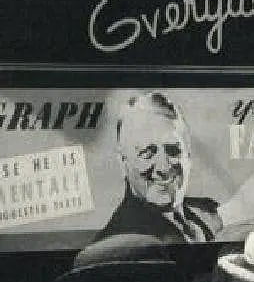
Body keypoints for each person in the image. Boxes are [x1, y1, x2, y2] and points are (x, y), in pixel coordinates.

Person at [92, 92, 222, 246]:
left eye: (173, 150)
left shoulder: (209, 214)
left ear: (188, 155)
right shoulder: (117, 244)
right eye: (147, 153)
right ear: (123, 163)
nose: (164, 167)